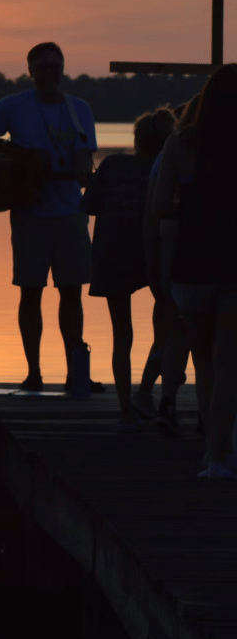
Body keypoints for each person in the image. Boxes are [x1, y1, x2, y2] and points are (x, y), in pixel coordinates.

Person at [0, 42, 101, 392]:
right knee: (30, 292)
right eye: (42, 67)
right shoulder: (14, 105)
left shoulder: (79, 109)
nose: (49, 72)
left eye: (55, 65)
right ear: (31, 71)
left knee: (72, 293)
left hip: (71, 212)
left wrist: (85, 171)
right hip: (29, 213)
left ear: (63, 67)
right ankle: (33, 373)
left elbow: (85, 156)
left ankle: (74, 375)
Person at [149, 65, 237, 478]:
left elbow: (159, 206)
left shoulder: (180, 143)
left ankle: (211, 455)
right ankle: (222, 455)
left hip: (191, 266)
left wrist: (190, 208)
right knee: (228, 365)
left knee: (204, 364)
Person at [81, 107, 175, 431]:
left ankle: (125, 411)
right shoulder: (164, 169)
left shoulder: (112, 164)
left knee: (122, 335)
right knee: (168, 324)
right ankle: (147, 390)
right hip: (152, 253)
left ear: (136, 139)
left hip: (111, 253)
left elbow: (89, 205)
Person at [140, 99, 195, 435]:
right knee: (181, 331)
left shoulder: (170, 155)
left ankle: (159, 398)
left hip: (172, 256)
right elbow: (156, 211)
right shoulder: (175, 157)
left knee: (173, 331)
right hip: (180, 256)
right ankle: (158, 396)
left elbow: (153, 213)